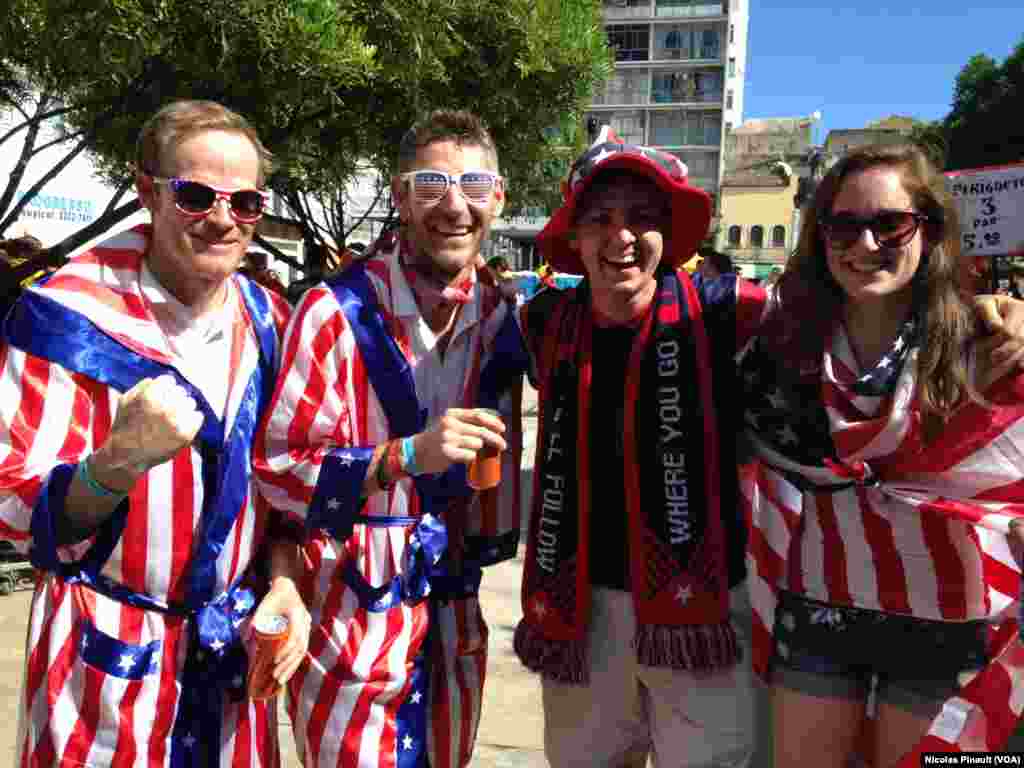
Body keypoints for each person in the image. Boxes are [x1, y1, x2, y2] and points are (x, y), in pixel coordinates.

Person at [0, 99, 308, 767]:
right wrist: (114, 464)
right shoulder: (66, 317)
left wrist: (286, 582)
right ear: (148, 191)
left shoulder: (272, 321)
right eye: (196, 195)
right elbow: (13, 508)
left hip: (231, 662)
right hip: (102, 669)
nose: (224, 219)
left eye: (247, 202)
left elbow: (289, 483)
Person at [254, 109, 528, 768]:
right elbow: (280, 471)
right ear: (400, 195)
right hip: (354, 610)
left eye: (475, 185)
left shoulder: (499, 315)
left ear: (500, 199)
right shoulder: (334, 314)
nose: (454, 206)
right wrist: (404, 456)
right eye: (431, 184)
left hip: (452, 604)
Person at [740, 143, 1024, 766]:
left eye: (889, 224)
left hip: (948, 622)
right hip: (821, 608)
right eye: (844, 225)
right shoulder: (780, 346)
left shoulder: (988, 344)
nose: (865, 244)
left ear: (929, 230)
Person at [514, 126, 767, 767]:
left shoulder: (730, 311)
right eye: (600, 219)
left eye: (642, 218)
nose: (621, 238)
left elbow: (843, 321)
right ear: (574, 237)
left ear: (670, 234)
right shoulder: (540, 322)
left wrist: (985, 307)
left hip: (706, 607)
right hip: (579, 609)